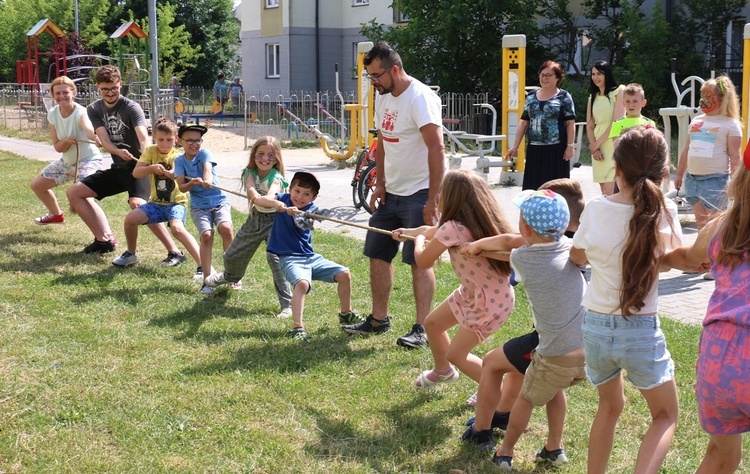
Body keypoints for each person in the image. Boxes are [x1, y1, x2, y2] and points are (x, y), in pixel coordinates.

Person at [570, 126, 682, 474]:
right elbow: (675, 259)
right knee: (665, 415)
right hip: (640, 330)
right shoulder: (664, 212)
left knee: (608, 406)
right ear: (665, 174)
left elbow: (577, 258)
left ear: (616, 170)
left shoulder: (595, 210)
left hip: (596, 328)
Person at [460, 178, 586, 453]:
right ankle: (554, 447)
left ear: (525, 228)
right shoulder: (568, 246)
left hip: (553, 345)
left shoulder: (523, 258)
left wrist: (475, 246)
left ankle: (481, 432)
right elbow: (514, 240)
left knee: (492, 363)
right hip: (586, 345)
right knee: (553, 386)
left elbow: (507, 242)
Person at [340, 40, 445, 349]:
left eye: (376, 76)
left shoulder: (420, 98)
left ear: (394, 70)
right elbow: (383, 142)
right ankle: (378, 319)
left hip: (420, 193)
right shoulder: (384, 97)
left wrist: (433, 200)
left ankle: (422, 328)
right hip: (391, 192)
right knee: (377, 254)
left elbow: (437, 148)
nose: (373, 82)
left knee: (419, 261)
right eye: (370, 77)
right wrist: (380, 183)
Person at [662, 149, 750, 474]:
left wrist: (657, 260)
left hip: (719, 360)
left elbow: (687, 258)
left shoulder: (722, 227)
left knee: (720, 456)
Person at [391, 169, 514, 390]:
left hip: (486, 303)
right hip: (479, 294)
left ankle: (501, 394)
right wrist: (409, 231)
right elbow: (431, 230)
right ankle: (443, 371)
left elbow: (423, 261)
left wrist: (417, 241)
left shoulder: (452, 228)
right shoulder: (475, 222)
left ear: (451, 197)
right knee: (432, 323)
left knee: (457, 354)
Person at [67, 65, 178, 258]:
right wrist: (118, 151)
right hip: (118, 168)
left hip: (138, 168)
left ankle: (174, 251)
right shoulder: (94, 109)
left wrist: (145, 161)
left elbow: (144, 138)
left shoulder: (131, 107)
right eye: (105, 89)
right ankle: (103, 240)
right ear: (98, 87)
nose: (110, 93)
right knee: (74, 192)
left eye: (114, 88)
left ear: (120, 84)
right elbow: (104, 140)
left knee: (138, 206)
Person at [253, 171, 358, 340]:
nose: (300, 197)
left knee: (344, 274)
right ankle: (297, 327)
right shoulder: (283, 199)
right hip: (289, 258)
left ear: (313, 198)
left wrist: (298, 214)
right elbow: (258, 200)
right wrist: (276, 204)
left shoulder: (311, 211)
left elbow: (304, 224)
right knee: (301, 284)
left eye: (306, 194)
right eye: (297, 191)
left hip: (310, 258)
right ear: (290, 190)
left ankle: (346, 314)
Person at [204, 137, 292, 314]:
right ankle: (230, 277)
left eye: (270, 155)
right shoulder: (249, 172)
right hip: (255, 218)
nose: (265, 159)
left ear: (277, 159)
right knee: (231, 255)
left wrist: (270, 201)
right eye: (260, 154)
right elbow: (252, 189)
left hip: (275, 222)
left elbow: (271, 195)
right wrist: (256, 196)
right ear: (253, 156)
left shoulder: (277, 178)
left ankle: (287, 305)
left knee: (275, 260)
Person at [111, 118, 201, 269]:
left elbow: (177, 172)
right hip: (156, 203)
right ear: (154, 138)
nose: (165, 144)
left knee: (177, 229)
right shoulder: (150, 151)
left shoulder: (179, 155)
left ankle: (203, 265)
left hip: (176, 203)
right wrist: (151, 168)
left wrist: (173, 173)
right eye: (161, 139)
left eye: (169, 140)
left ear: (176, 139)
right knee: (130, 219)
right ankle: (131, 254)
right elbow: (136, 173)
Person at [31, 76, 102, 225]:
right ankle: (56, 215)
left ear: (73, 92)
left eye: (65, 92)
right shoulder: (52, 114)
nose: (61, 96)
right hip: (67, 162)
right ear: (52, 95)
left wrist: (95, 137)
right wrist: (66, 142)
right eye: (57, 93)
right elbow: (57, 146)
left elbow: (88, 129)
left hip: (88, 160)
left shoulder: (81, 112)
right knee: (37, 186)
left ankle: (106, 236)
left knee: (84, 196)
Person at [173, 124, 236, 293]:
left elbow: (207, 169)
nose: (194, 144)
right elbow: (181, 186)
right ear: (180, 141)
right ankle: (207, 281)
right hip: (199, 207)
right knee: (207, 236)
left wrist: (207, 180)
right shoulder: (179, 161)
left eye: (198, 140)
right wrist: (191, 183)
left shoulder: (205, 154)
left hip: (219, 201)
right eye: (190, 140)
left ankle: (233, 275)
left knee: (226, 229)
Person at [674, 75, 742, 231]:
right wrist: (679, 174)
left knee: (715, 228)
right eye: (702, 95)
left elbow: (735, 157)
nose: (703, 100)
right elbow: (686, 149)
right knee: (702, 227)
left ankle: (716, 255)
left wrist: (735, 184)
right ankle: (703, 255)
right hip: (693, 181)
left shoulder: (730, 124)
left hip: (715, 182)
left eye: (708, 96)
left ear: (722, 98)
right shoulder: (696, 121)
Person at [505, 61, 576, 191]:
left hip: (556, 150)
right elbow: (524, 121)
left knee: (555, 188)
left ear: (558, 77)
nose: (544, 78)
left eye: (548, 75)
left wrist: (570, 147)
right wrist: (515, 146)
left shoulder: (564, 97)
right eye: (542, 75)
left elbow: (570, 123)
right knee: (532, 188)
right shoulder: (531, 96)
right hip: (535, 149)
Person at [586, 60, 625, 196]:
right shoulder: (593, 98)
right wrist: (594, 147)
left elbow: (616, 122)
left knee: (612, 191)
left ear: (607, 74)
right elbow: (590, 125)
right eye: (593, 74)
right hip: (598, 148)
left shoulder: (619, 92)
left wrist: (596, 144)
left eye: (599, 73)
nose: (596, 77)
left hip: (613, 144)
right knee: (604, 192)